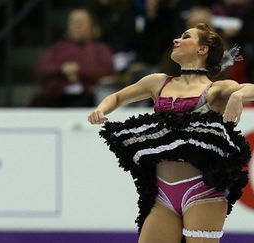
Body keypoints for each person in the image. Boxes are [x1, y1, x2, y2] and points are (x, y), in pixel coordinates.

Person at [88, 23, 253, 243]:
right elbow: (117, 97)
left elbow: (250, 89)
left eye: (186, 37)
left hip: (203, 191)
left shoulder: (216, 90)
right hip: (163, 195)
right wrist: (101, 109)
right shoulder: (157, 82)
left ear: (202, 49)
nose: (176, 40)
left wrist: (237, 96)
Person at [31, 8, 114, 107]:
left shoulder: (100, 49)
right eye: (74, 22)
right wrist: (62, 69)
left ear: (91, 26)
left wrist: (79, 70)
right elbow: (42, 68)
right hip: (57, 95)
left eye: (81, 22)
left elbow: (107, 70)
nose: (77, 25)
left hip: (88, 95)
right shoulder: (58, 48)